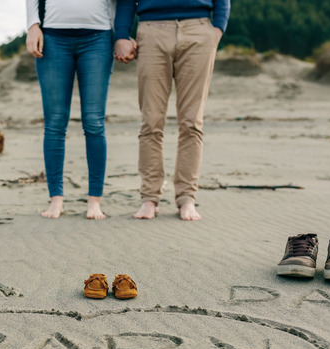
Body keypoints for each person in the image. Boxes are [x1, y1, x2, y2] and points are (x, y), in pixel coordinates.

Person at [114, 0, 230, 221]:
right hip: (151, 30)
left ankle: (187, 198)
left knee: (192, 122)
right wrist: (121, 34)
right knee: (151, 121)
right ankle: (149, 198)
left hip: (199, 29)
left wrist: (217, 30)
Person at [26, 0, 131, 219]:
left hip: (98, 38)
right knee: (55, 122)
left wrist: (122, 34)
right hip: (53, 37)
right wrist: (32, 25)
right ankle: (56, 200)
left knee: (94, 122)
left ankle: (94, 201)